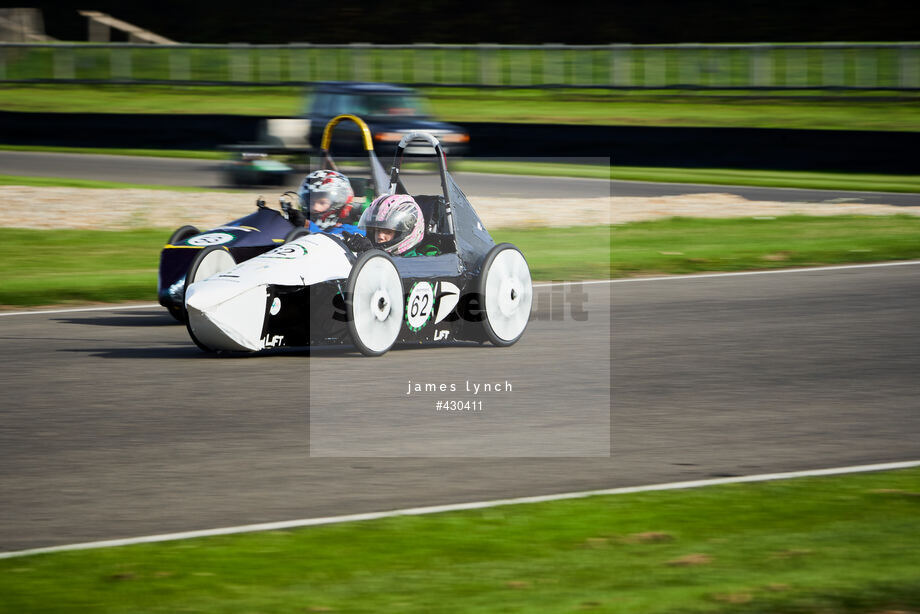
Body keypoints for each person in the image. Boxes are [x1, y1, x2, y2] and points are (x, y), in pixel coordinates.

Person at [356, 194, 440, 257]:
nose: (380, 236)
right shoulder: (367, 253)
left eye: (387, 232)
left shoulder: (420, 262)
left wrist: (373, 255)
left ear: (405, 232)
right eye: (377, 230)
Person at [292, 170, 364, 236]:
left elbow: (324, 241)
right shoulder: (298, 226)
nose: (315, 207)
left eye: (322, 203)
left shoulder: (351, 233)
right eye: (311, 202)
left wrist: (307, 225)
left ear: (338, 204)